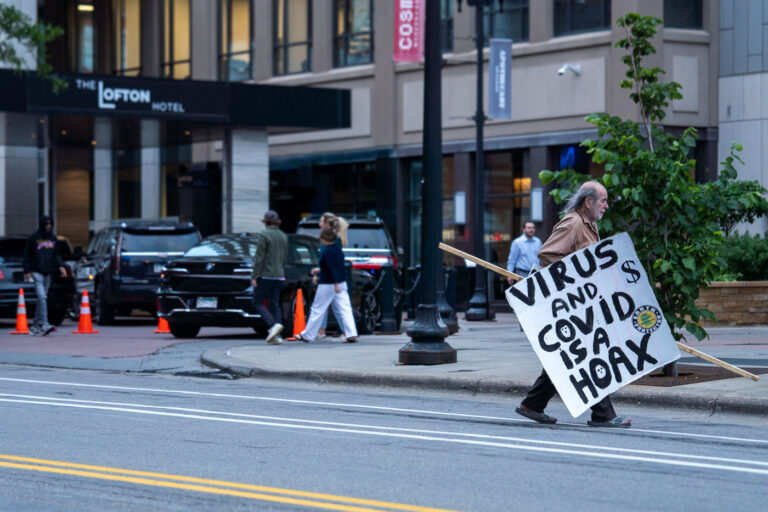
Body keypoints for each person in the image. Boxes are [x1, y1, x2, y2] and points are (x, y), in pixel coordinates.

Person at [515, 181, 632, 428]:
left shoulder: (588, 224)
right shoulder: (574, 223)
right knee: (587, 355)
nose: (606, 205)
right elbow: (548, 254)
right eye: (603, 200)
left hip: (580, 306)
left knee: (569, 357)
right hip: (569, 305)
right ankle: (603, 415)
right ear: (588, 201)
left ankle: (533, 404)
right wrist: (577, 281)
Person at [294, 227, 358, 343]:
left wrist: (334, 282)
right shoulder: (338, 250)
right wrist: (321, 271)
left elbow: (331, 268)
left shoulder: (326, 251)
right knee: (345, 309)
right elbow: (336, 267)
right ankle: (351, 333)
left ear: (324, 239)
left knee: (317, 309)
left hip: (328, 284)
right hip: (341, 282)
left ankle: (308, 335)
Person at [22, 215, 67, 336]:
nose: (48, 226)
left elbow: (56, 255)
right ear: (42, 225)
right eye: (46, 224)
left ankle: (35, 325)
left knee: (41, 299)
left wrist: (61, 266)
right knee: (42, 297)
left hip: (48, 272)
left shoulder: (53, 238)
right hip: (36, 271)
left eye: (50, 224)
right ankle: (45, 324)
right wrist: (27, 271)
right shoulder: (33, 238)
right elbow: (26, 256)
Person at [251, 210, 288, 345]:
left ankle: (273, 325)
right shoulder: (283, 236)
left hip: (266, 274)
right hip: (279, 275)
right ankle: (277, 336)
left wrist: (254, 275)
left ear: (265, 221)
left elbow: (259, 257)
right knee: (275, 303)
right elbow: (284, 258)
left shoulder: (264, 235)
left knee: (257, 302)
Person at [316, 212, 349, 339]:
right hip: (331, 276)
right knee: (331, 305)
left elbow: (329, 261)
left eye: (321, 221)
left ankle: (345, 331)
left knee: (333, 305)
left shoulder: (329, 240)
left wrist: (334, 281)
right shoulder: (334, 238)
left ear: (326, 223)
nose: (319, 223)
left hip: (330, 277)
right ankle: (323, 330)